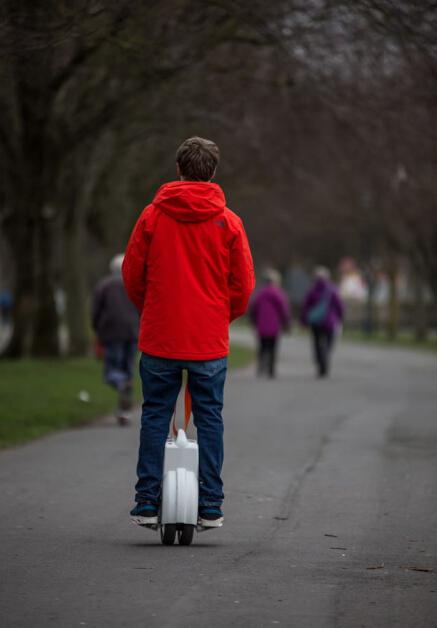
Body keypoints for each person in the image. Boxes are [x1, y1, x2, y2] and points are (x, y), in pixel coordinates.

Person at [122, 136, 255, 528]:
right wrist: (220, 315)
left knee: (155, 414)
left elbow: (132, 274)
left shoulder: (152, 216)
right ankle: (211, 505)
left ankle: (147, 501)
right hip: (207, 340)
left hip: (161, 336)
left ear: (179, 169)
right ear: (212, 173)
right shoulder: (229, 222)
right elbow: (243, 285)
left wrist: (151, 308)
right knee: (210, 417)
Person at [92, 254, 139, 425]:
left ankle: (121, 385)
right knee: (128, 369)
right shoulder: (135, 284)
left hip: (112, 333)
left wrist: (97, 329)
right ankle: (124, 411)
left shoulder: (104, 285)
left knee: (112, 371)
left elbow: (96, 311)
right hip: (133, 332)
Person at [301, 266, 344, 378]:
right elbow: (339, 305)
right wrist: (340, 317)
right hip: (330, 321)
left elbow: (305, 307)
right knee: (329, 343)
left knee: (316, 343)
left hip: (316, 322)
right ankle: (325, 357)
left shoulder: (312, 290)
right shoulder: (333, 290)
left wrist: (304, 321)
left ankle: (320, 360)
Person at [249, 269, 291, 378]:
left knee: (262, 347)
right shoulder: (279, 294)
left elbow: (253, 308)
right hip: (274, 326)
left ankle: (261, 367)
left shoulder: (260, 293)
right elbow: (284, 309)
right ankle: (271, 370)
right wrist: (286, 322)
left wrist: (253, 321)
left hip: (261, 326)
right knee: (273, 348)